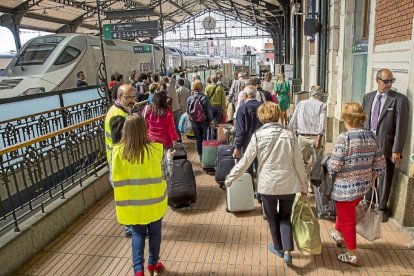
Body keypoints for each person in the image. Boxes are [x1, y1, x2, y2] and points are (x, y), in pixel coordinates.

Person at [225, 102, 307, 266]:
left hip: (268, 184)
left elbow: (245, 161)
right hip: (288, 184)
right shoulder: (290, 135)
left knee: (272, 218)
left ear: (262, 117)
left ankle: (278, 248)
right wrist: (304, 187)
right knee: (285, 216)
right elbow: (299, 164)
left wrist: (230, 178)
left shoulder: (257, 136)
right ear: (277, 115)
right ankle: (288, 251)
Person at [327, 102, 386, 265]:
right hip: (363, 187)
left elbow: (335, 166)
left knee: (348, 221)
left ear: (346, 119)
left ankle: (352, 255)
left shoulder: (344, 138)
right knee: (345, 212)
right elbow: (381, 164)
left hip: (345, 188)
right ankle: (337, 233)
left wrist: (328, 163)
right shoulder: (371, 136)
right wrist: (371, 175)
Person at [111, 114, 167, 276]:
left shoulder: (117, 153)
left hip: (131, 204)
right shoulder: (157, 150)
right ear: (145, 129)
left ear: (124, 131)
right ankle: (153, 264)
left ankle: (138, 271)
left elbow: (113, 181)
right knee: (155, 233)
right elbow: (166, 174)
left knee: (137, 233)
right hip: (155, 202)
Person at [362, 68, 409, 222]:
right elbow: (364, 122)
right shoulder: (368, 98)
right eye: (386, 81)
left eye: (391, 81)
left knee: (385, 176)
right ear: (378, 81)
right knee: (368, 175)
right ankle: (368, 202)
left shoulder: (399, 100)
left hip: (387, 146)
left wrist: (397, 149)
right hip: (369, 145)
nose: (389, 84)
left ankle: (382, 208)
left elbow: (402, 127)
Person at [104, 84, 136, 238]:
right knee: (125, 196)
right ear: (119, 97)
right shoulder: (117, 116)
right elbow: (119, 143)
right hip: (120, 163)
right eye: (127, 97)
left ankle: (130, 226)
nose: (131, 100)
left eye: (133, 97)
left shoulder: (120, 111)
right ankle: (129, 227)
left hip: (119, 161)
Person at [289, 85, 327, 193]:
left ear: (311, 93)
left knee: (302, 162)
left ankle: (303, 185)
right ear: (320, 95)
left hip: (302, 136)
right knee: (317, 163)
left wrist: (292, 135)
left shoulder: (301, 103)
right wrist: (319, 138)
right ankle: (312, 185)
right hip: (316, 137)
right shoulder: (322, 105)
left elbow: (293, 121)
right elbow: (322, 123)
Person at [233, 86, 262, 176]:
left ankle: (250, 188)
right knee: (261, 169)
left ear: (246, 95)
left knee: (247, 170)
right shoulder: (262, 107)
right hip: (262, 141)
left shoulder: (242, 109)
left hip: (247, 143)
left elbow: (240, 130)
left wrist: (237, 147)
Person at [186, 80, 214, 161]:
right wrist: (211, 120)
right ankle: (205, 155)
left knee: (198, 139)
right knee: (205, 138)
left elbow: (187, 111)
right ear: (201, 87)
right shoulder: (205, 98)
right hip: (204, 121)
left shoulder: (190, 98)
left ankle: (200, 156)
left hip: (194, 122)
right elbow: (208, 110)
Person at [162, 76, 182, 142]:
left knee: (172, 125)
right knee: (177, 124)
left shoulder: (166, 87)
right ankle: (179, 138)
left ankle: (173, 139)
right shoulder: (172, 86)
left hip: (171, 108)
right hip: (177, 107)